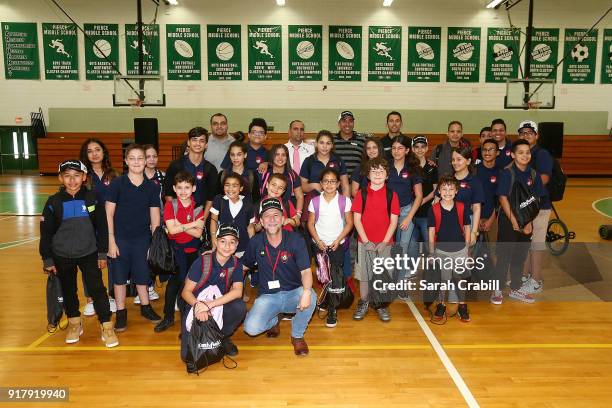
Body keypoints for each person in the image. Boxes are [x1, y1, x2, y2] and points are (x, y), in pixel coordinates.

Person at [39, 159, 118, 347]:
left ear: (84, 177)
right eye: (67, 176)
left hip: (89, 253)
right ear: (60, 178)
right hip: (61, 256)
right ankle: (74, 322)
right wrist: (47, 258)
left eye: (76, 176)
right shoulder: (53, 203)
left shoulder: (92, 198)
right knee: (68, 290)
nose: (72, 180)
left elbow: (102, 226)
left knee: (98, 290)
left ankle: (106, 325)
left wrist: (101, 253)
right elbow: (46, 233)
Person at [243, 198, 317, 357]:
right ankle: (274, 319)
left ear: (283, 219)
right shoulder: (255, 242)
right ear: (261, 222)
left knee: (311, 295)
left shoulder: (296, 240)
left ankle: (297, 335)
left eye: (276, 215)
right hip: (268, 296)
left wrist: (305, 293)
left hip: (293, 294)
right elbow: (243, 267)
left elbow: (305, 271)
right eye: (267, 216)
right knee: (251, 328)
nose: (271, 219)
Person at [106, 144, 162, 332]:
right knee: (120, 278)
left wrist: (154, 243)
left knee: (142, 275)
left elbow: (155, 217)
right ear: (126, 161)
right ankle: (121, 312)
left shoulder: (152, 187)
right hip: (120, 239)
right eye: (133, 158)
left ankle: (146, 308)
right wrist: (111, 240)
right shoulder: (117, 184)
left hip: (142, 239)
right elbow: (109, 214)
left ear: (146, 161)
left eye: (141, 158)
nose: (137, 162)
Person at [491, 139, 548, 305]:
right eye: (521, 152)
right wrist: (514, 221)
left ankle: (516, 288)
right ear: (513, 154)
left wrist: (529, 221)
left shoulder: (534, 174)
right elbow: (502, 198)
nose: (525, 155)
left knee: (519, 257)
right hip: (509, 220)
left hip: (526, 221)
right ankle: (497, 290)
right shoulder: (507, 173)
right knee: (504, 256)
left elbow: (536, 199)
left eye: (527, 152)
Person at [181, 224, 247, 358]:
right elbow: (185, 292)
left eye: (232, 242)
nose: (227, 246)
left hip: (216, 303)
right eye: (223, 241)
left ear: (236, 245)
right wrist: (199, 306)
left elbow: (238, 291)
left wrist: (209, 305)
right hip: (195, 302)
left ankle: (223, 336)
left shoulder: (236, 264)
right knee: (188, 357)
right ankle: (190, 330)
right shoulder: (202, 261)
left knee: (239, 307)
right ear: (215, 241)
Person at [154, 171, 206, 333]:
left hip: (193, 252)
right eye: (180, 188)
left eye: (187, 187)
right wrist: (191, 224)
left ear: (193, 188)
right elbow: (171, 230)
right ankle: (168, 317)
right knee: (175, 283)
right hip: (177, 251)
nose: (183, 191)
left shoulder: (198, 207)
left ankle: (187, 319)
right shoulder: (171, 205)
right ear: (174, 189)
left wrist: (180, 225)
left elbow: (198, 234)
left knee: (189, 285)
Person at [351, 157, 400, 322]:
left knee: (383, 275)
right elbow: (356, 219)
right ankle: (364, 301)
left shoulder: (392, 195)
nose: (378, 174)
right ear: (368, 174)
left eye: (381, 171)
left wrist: (384, 242)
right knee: (365, 275)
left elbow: (394, 221)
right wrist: (366, 241)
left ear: (387, 175)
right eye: (374, 171)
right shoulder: (361, 194)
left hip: (385, 243)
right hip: (365, 242)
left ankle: (381, 305)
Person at [306, 168, 354, 328]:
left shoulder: (344, 200)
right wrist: (318, 240)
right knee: (323, 276)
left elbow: (349, 223)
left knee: (335, 275)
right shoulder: (315, 201)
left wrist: (338, 239)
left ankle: (332, 309)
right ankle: (326, 300)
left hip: (336, 245)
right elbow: (310, 223)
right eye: (325, 181)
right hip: (320, 245)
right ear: (321, 184)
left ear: (338, 183)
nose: (329, 184)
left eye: (332, 181)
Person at [79, 138, 118, 316]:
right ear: (85, 155)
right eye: (90, 151)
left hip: (110, 225)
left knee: (112, 261)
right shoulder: (82, 176)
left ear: (104, 152)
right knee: (89, 263)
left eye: (97, 149)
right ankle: (91, 298)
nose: (94, 153)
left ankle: (110, 296)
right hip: (88, 226)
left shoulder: (114, 175)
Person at [428, 175, 472, 324]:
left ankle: (462, 306)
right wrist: (432, 252)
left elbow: (467, 227)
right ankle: (441, 305)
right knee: (443, 280)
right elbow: (432, 232)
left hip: (460, 250)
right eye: (444, 189)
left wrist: (467, 248)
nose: (447, 192)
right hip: (441, 251)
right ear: (439, 191)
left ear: (456, 191)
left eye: (451, 189)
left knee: (460, 280)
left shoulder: (462, 207)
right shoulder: (433, 209)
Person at [518, 120, 553, 294]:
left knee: (537, 244)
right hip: (525, 206)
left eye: (529, 133)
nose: (526, 135)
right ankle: (524, 276)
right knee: (525, 242)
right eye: (523, 133)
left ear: (537, 136)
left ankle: (536, 280)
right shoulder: (522, 154)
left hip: (539, 206)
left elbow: (545, 178)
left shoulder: (541, 154)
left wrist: (526, 188)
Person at [164, 127, 218, 217]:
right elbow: (168, 193)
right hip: (178, 215)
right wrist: (174, 216)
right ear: (188, 143)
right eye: (194, 140)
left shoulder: (210, 169)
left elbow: (211, 199)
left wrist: (202, 221)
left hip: (201, 215)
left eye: (202, 140)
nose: (198, 143)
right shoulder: (176, 165)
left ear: (206, 145)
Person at [388, 135, 423, 277]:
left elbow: (419, 195)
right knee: (388, 247)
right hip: (388, 213)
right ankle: (387, 278)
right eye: (394, 148)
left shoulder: (413, 169)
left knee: (403, 247)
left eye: (400, 148)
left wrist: (409, 217)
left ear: (407, 150)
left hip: (406, 212)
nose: (396, 151)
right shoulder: (385, 166)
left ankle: (400, 281)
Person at [139, 144, 165, 304]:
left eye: (154, 156)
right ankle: (143, 286)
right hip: (140, 222)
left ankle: (151, 285)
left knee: (155, 253)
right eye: (148, 156)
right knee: (141, 255)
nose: (151, 159)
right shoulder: (136, 176)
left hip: (159, 221)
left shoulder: (163, 176)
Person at [210, 172, 256, 258]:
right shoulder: (219, 200)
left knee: (240, 269)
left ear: (241, 188)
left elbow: (250, 226)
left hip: (243, 246)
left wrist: (252, 245)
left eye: (235, 185)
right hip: (223, 246)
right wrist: (213, 239)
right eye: (227, 185)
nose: (230, 188)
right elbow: (214, 221)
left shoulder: (248, 203)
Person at [300, 130, 350, 198]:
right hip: (314, 201)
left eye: (328, 143)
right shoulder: (309, 161)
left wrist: (346, 204)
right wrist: (312, 186)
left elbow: (345, 186)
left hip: (335, 201)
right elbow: (302, 186)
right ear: (316, 144)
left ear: (332, 145)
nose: (325, 146)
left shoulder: (338, 160)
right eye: (321, 143)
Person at [451, 146, 484, 246]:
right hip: (448, 222)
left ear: (468, 161)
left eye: (459, 159)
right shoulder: (447, 180)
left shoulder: (475, 182)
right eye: (453, 160)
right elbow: (436, 202)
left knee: (465, 258)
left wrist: (474, 232)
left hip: (467, 223)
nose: (455, 162)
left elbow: (476, 208)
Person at [258, 144, 304, 213]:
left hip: (287, 212)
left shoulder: (293, 175)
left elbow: (299, 196)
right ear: (272, 156)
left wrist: (298, 214)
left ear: (287, 157)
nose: (280, 158)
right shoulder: (263, 173)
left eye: (283, 155)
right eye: (277, 154)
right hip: (265, 211)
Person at [411, 135, 438, 256]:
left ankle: (432, 271)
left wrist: (422, 200)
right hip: (410, 214)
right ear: (412, 149)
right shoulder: (408, 167)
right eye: (416, 147)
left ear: (427, 149)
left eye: (422, 147)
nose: (419, 150)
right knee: (412, 246)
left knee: (430, 245)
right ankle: (412, 272)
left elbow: (436, 190)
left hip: (426, 213)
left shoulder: (432, 167)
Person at [475, 139, 500, 237]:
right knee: (470, 251)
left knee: (494, 251)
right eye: (484, 150)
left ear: (497, 153)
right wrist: (478, 218)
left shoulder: (502, 172)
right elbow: (470, 197)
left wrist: (491, 220)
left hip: (494, 218)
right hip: (474, 217)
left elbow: (501, 200)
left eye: (491, 150)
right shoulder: (474, 170)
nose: (487, 152)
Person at [333, 111, 368, 175]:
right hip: (335, 183)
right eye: (344, 121)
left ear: (353, 123)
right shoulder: (332, 140)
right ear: (339, 124)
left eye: (350, 121)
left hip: (357, 183)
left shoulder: (363, 141)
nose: (347, 124)